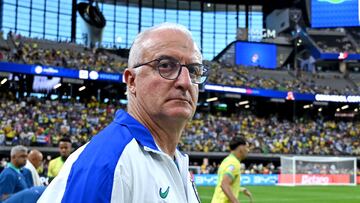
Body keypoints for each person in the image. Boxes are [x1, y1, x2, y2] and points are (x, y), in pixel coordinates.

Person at [38, 22, 208, 203]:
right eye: (165, 65)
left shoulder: (177, 160)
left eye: (193, 70)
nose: (186, 82)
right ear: (132, 81)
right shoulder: (107, 165)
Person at [211, 136, 252, 203]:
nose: (248, 150)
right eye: (246, 147)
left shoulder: (226, 160)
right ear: (241, 148)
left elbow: (225, 183)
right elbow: (224, 184)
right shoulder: (234, 163)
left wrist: (241, 189)